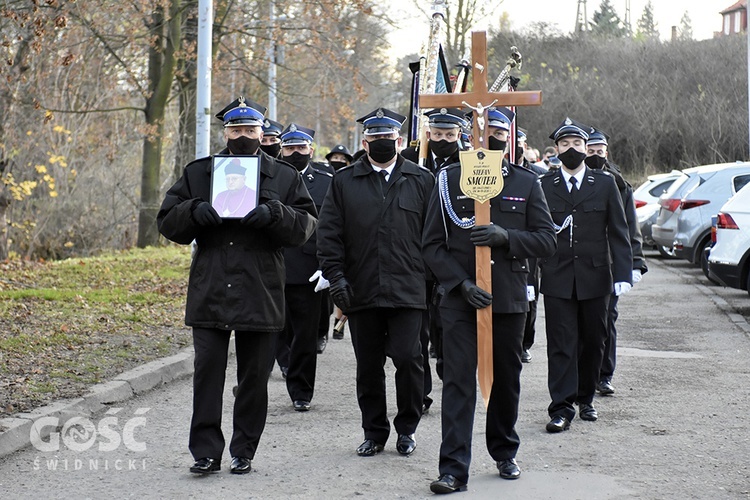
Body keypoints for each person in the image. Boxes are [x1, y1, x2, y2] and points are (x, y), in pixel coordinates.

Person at [156, 96, 317, 475]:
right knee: (207, 374)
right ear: (225, 132)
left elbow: (307, 225)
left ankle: (244, 449)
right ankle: (206, 451)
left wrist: (276, 214)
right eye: (236, 129)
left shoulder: (285, 176)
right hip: (211, 286)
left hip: (259, 288)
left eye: (251, 130)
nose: (243, 136)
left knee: (253, 378)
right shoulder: (199, 172)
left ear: (263, 133)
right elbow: (167, 221)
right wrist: (193, 211)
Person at [423, 113, 557, 493]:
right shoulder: (448, 180)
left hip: (508, 298)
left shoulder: (525, 181)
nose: (493, 137)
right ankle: (452, 469)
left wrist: (507, 237)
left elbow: (547, 241)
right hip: (461, 300)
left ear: (509, 135)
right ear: (471, 135)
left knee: (505, 382)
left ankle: (504, 452)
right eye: (486, 131)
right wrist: (459, 283)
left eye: (499, 132)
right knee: (458, 383)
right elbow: (431, 244)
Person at [317, 107, 434, 457]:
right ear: (365, 142)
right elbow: (329, 234)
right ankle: (374, 431)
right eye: (375, 138)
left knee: (408, 358)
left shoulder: (420, 179)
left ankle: (407, 428)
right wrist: (335, 277)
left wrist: (435, 280)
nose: (382, 143)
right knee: (368, 366)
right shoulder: (344, 181)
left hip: (408, 288)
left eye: (388, 138)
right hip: (361, 288)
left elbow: (434, 236)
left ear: (398, 140)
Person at [538, 118, 633, 433]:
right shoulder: (544, 186)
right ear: (556, 150)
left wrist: (624, 271)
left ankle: (586, 399)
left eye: (576, 144)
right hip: (557, 276)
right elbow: (535, 232)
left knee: (595, 341)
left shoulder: (605, 184)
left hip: (596, 277)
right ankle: (561, 408)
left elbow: (619, 231)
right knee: (560, 343)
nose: (571, 150)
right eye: (564, 145)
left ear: (585, 147)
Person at [584, 128, 647, 395]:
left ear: (607, 153)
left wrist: (635, 262)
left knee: (607, 319)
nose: (595, 155)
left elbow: (630, 226)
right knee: (579, 322)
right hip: (580, 261)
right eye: (591, 151)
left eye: (600, 151)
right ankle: (581, 374)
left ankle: (604, 374)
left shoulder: (619, 184)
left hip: (609, 262)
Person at [277, 122, 333, 411]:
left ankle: (301, 390)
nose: (295, 152)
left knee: (306, 334)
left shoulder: (326, 180)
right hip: (271, 265)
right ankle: (278, 367)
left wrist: (329, 265)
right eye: (289, 147)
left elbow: (332, 225)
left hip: (309, 266)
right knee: (274, 330)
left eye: (301, 147)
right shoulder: (270, 177)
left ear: (311, 149)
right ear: (281, 149)